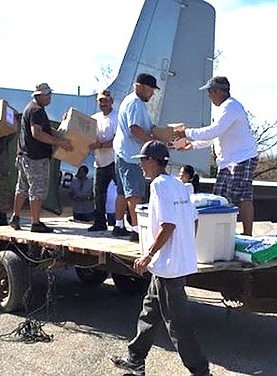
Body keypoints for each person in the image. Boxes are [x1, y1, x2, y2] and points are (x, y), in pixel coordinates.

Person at [110, 140, 210, 376]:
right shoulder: (178, 184)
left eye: (143, 161)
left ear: (153, 161)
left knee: (178, 325)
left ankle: (201, 371)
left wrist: (148, 255)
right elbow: (193, 219)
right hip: (170, 265)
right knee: (150, 312)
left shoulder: (158, 186)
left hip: (168, 267)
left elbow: (168, 225)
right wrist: (184, 248)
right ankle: (135, 359)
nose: (141, 166)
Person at [175, 76, 258, 235]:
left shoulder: (231, 107)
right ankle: (222, 235)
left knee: (241, 196)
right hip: (227, 161)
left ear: (219, 91)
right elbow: (215, 136)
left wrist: (186, 132)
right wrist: (193, 145)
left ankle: (247, 234)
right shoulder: (223, 109)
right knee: (220, 197)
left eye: (211, 92)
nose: (209, 96)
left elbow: (214, 131)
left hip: (242, 158)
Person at [9, 83, 72, 233]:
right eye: (48, 94)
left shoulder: (31, 108)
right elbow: (37, 133)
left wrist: (62, 131)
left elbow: (46, 129)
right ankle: (35, 223)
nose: (50, 97)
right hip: (35, 157)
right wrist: (59, 142)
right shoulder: (37, 111)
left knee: (22, 187)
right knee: (37, 189)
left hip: (24, 155)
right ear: (39, 95)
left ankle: (15, 217)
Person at [112, 73, 160, 241]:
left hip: (122, 152)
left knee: (122, 192)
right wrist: (154, 143)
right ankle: (137, 230)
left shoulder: (130, 101)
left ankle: (118, 225)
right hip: (131, 155)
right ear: (140, 86)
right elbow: (135, 129)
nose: (152, 93)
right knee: (135, 194)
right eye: (150, 89)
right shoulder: (136, 103)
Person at [87, 89, 128, 233]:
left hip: (116, 160)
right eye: (100, 101)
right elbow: (85, 133)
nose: (103, 103)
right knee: (98, 193)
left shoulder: (117, 117)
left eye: (105, 100)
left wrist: (101, 145)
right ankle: (99, 222)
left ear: (111, 101)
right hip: (100, 161)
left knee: (123, 192)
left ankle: (126, 222)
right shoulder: (94, 119)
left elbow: (118, 139)